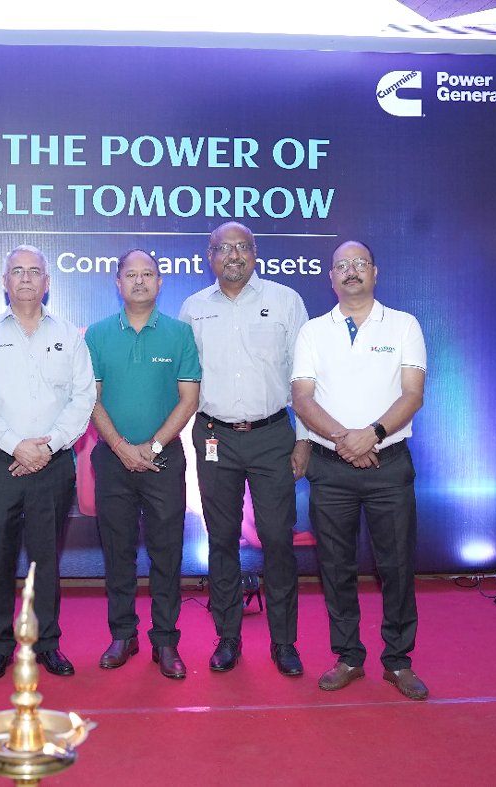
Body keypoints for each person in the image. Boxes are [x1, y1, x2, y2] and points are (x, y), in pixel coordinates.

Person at [290, 240, 429, 700]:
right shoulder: (313, 331)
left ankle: (398, 661)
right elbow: (302, 398)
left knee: (397, 565)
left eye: (360, 263)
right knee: (336, 567)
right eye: (342, 265)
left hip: (389, 465)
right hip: (331, 468)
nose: (351, 271)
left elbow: (413, 393)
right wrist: (345, 439)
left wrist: (373, 433)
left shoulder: (404, 325)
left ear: (375, 272)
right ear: (330, 277)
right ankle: (348, 656)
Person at [179, 221, 310, 676]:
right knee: (221, 539)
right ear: (209, 256)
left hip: (273, 434)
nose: (233, 255)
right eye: (223, 248)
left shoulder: (285, 301)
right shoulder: (194, 308)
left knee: (277, 539)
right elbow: (185, 379)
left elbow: (304, 377)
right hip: (215, 436)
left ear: (255, 253)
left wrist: (304, 438)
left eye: (242, 247)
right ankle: (228, 637)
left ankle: (284, 642)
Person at [0, 245, 95, 681]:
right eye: (17, 271)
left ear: (47, 282)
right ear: (4, 282)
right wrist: (16, 446)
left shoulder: (69, 336)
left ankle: (48, 644)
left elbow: (83, 398)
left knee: (46, 559)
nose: (25, 278)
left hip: (53, 464)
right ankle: (0, 644)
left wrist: (48, 446)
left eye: (34, 271)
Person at [85, 249, 200, 679]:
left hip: (163, 459)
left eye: (147, 274)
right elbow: (90, 398)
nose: (139, 281)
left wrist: (151, 447)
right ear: (117, 283)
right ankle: (123, 634)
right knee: (117, 551)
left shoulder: (179, 333)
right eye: (130, 275)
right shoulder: (97, 334)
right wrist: (119, 446)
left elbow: (189, 399)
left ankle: (166, 641)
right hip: (112, 458)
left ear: (160, 281)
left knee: (166, 552)